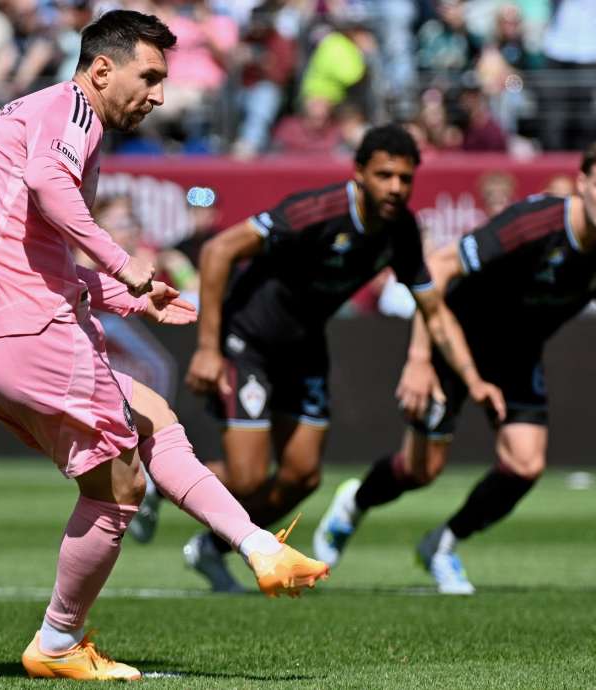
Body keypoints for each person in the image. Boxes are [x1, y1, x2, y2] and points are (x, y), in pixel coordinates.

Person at [0, 11, 327, 681]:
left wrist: (129, 297)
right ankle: (58, 642)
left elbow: (29, 244)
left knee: (153, 417)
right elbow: (49, 189)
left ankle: (258, 544)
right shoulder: (72, 113)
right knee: (120, 483)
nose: (159, 95)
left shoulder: (27, 114)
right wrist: (124, 266)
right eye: (149, 77)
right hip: (27, 328)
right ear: (100, 70)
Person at [313, 139, 596, 594]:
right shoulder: (534, 223)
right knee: (421, 471)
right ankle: (354, 504)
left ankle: (443, 545)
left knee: (526, 465)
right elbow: (439, 267)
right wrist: (418, 359)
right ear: (582, 183)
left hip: (518, 353)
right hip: (453, 342)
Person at [171, 124, 505, 592]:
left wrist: (473, 379)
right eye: (384, 175)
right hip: (251, 340)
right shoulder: (317, 210)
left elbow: (434, 310)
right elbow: (217, 250)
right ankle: (158, 475)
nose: (395, 187)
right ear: (359, 173)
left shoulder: (401, 230)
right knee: (246, 480)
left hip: (305, 347)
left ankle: (210, 549)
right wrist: (207, 349)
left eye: (405, 178)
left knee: (302, 477)